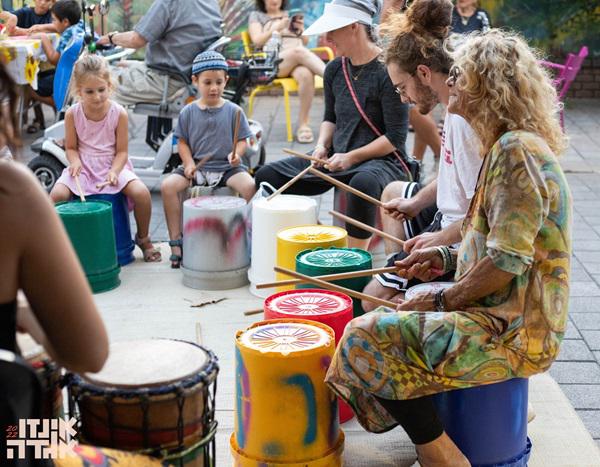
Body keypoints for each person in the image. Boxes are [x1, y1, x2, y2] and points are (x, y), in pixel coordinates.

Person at [325, 22, 571, 466]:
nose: (449, 83)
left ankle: (440, 453)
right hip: (500, 310)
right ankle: (434, 436)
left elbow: (506, 263)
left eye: (459, 76)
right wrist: (440, 258)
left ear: (485, 86)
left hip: (516, 330)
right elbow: (494, 250)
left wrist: (441, 299)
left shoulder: (518, 153)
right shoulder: (505, 147)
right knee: (381, 317)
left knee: (365, 336)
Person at [254, 0, 411, 251]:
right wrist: (320, 147)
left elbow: (395, 138)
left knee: (362, 185)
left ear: (353, 27)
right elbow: (330, 118)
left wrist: (351, 157)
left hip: (380, 162)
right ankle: (319, 241)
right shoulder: (335, 69)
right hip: (335, 158)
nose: (327, 38)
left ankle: (353, 256)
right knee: (266, 177)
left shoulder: (388, 70)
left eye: (333, 30)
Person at [0, 60, 108, 411]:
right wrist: (26, 316)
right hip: (9, 440)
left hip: (107, 172)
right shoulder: (10, 192)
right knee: (52, 439)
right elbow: (89, 353)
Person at [362, 0, 482, 310]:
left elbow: (481, 218)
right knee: (394, 194)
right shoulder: (450, 107)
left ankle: (410, 289)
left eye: (402, 88)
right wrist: (415, 203)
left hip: (465, 237)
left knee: (371, 301)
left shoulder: (464, 117)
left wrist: (437, 241)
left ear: (424, 72)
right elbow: (451, 175)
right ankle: (403, 273)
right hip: (450, 218)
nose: (403, 99)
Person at [49, 54, 161, 262]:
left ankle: (143, 238)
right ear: (78, 91)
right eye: (89, 92)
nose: (97, 96)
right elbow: (71, 148)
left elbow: (122, 152)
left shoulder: (119, 113)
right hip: (83, 167)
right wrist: (74, 162)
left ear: (109, 85)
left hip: (113, 164)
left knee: (142, 193)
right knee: (55, 196)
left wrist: (114, 171)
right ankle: (58, 244)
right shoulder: (73, 114)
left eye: (101, 90)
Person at [161, 51, 256, 268]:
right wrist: (188, 163)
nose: (214, 87)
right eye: (207, 82)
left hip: (227, 167)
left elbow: (243, 140)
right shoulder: (188, 112)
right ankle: (176, 241)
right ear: (195, 81)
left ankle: (246, 237)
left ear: (226, 81)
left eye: (219, 82)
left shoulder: (235, 111)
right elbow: (182, 142)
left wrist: (237, 154)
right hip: (197, 167)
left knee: (250, 186)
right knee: (168, 186)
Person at [96, 0, 222, 106]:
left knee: (93, 84)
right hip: (185, 77)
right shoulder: (211, 2)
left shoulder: (170, 2)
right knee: (121, 65)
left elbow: (136, 40)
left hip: (165, 81)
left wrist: (110, 38)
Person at [248, 0, 326, 143]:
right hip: (274, 63)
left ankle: (303, 125)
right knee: (299, 51)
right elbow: (257, 40)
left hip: (296, 62)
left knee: (306, 75)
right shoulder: (257, 16)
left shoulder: (288, 15)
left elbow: (306, 41)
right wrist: (276, 28)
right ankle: (333, 77)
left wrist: (300, 30)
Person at [30, 0, 83, 107]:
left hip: (66, 79)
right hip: (78, 75)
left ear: (65, 22)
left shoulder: (68, 35)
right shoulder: (79, 26)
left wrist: (43, 38)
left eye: (54, 20)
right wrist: (42, 27)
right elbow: (59, 26)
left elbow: (55, 60)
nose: (52, 23)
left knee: (29, 86)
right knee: (39, 76)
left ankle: (60, 107)